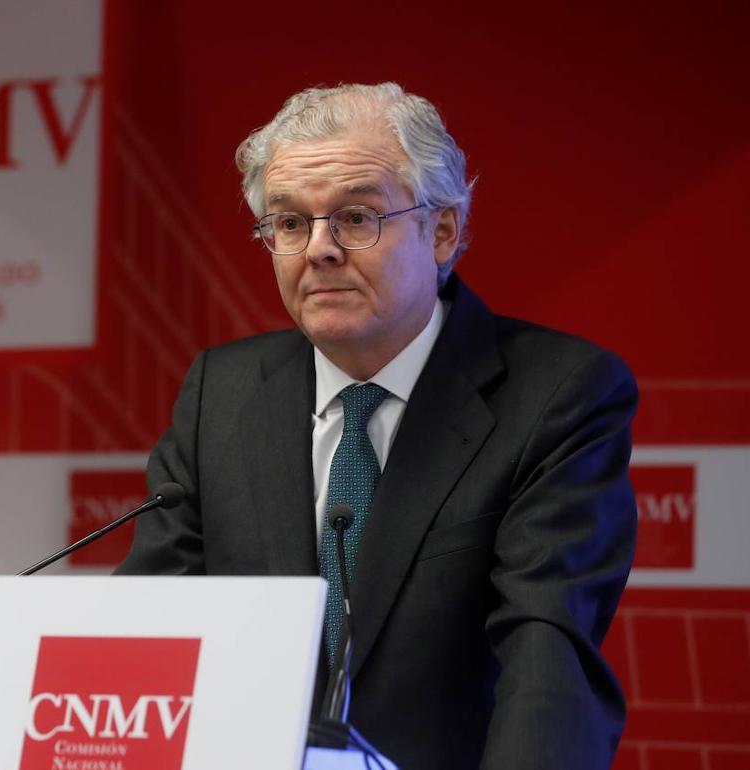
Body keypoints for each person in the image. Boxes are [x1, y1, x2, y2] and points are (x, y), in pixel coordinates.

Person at [116, 82, 636, 770]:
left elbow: (549, 653)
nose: (319, 250)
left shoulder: (556, 394)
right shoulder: (222, 391)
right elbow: (151, 624)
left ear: (441, 231)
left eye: (356, 217)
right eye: (290, 223)